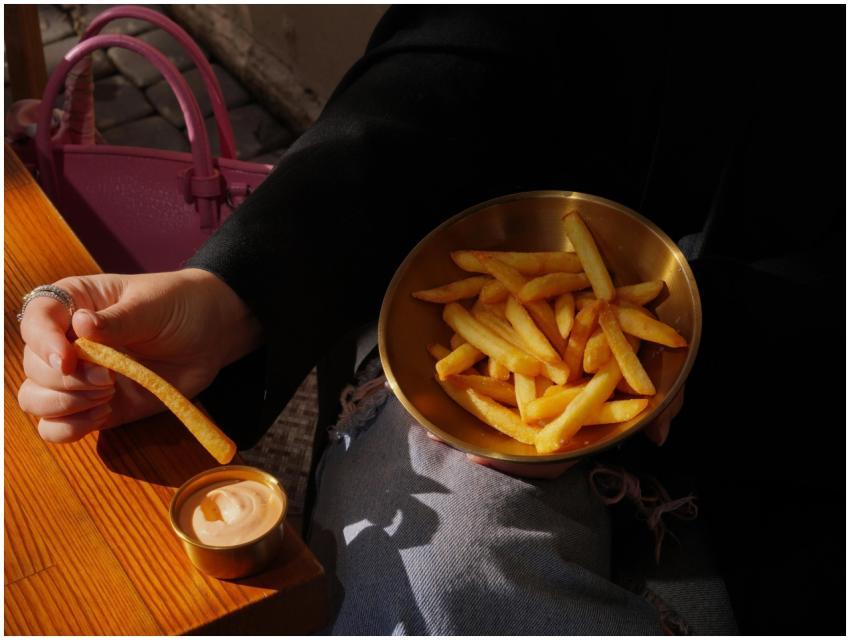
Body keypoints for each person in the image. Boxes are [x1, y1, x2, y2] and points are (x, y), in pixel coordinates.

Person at [15, 7, 843, 634]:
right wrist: (232, 293)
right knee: (426, 566)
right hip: (509, 330)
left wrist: (714, 340)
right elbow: (454, 54)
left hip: (796, 417)